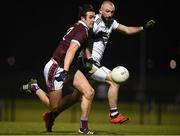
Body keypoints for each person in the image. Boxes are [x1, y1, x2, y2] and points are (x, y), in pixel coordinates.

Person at [22, 4, 96, 135]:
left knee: (88, 92)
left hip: (67, 67)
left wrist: (89, 59)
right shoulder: (82, 31)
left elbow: (84, 48)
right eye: (91, 17)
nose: (93, 20)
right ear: (83, 18)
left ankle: (83, 127)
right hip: (56, 68)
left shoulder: (80, 27)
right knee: (54, 107)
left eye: (94, 17)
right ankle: (34, 87)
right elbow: (71, 51)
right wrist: (66, 71)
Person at [79, 0, 155, 124]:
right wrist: (87, 57)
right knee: (114, 79)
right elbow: (84, 36)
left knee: (74, 97)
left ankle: (52, 114)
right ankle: (114, 114)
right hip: (88, 62)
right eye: (107, 11)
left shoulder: (112, 22)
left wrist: (143, 28)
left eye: (112, 12)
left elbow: (127, 30)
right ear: (100, 11)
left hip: (93, 62)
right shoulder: (95, 21)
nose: (110, 14)